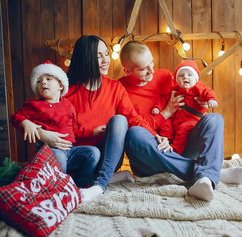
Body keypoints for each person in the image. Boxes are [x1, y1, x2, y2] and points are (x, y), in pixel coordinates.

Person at [38, 35, 168, 202]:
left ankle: (100, 184)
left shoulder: (115, 87)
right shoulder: (66, 92)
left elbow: (134, 119)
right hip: (79, 159)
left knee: (120, 120)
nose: (106, 59)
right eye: (99, 56)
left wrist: (154, 135)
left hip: (107, 157)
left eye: (106, 54)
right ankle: (104, 179)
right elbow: (44, 118)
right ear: (86, 58)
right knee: (84, 155)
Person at [120, 41, 242, 201]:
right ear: (127, 71)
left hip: (181, 142)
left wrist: (201, 103)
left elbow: (189, 93)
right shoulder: (120, 89)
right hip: (151, 155)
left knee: (214, 119)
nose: (151, 70)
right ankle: (210, 173)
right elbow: (134, 123)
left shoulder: (164, 75)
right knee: (134, 134)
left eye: (151, 63)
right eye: (144, 69)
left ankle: (205, 174)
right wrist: (165, 114)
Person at [11, 60, 103, 188]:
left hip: (70, 150)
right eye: (39, 81)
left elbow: (75, 129)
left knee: (93, 153)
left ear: (60, 85)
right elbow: (16, 117)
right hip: (49, 150)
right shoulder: (33, 105)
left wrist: (94, 131)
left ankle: (81, 183)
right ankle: (60, 188)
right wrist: (26, 123)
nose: (43, 82)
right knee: (58, 157)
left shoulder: (67, 105)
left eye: (48, 79)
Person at [152, 60, 219, 154]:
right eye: (181, 75)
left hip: (191, 119)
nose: (185, 77)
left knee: (183, 130)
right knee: (165, 125)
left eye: (189, 75)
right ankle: (166, 142)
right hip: (175, 119)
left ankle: (175, 150)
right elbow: (163, 100)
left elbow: (207, 92)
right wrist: (157, 108)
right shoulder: (174, 90)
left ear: (195, 79)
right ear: (176, 80)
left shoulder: (196, 88)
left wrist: (211, 99)